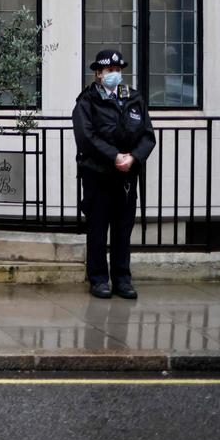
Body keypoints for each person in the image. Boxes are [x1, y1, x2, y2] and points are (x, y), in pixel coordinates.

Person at [72, 49, 156, 299]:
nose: (115, 75)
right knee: (97, 229)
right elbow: (87, 138)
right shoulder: (87, 101)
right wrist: (114, 156)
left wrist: (134, 157)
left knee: (123, 229)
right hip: (98, 174)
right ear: (99, 73)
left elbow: (148, 136)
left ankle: (122, 279)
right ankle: (98, 279)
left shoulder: (133, 98)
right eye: (110, 71)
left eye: (118, 70)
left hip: (126, 177)